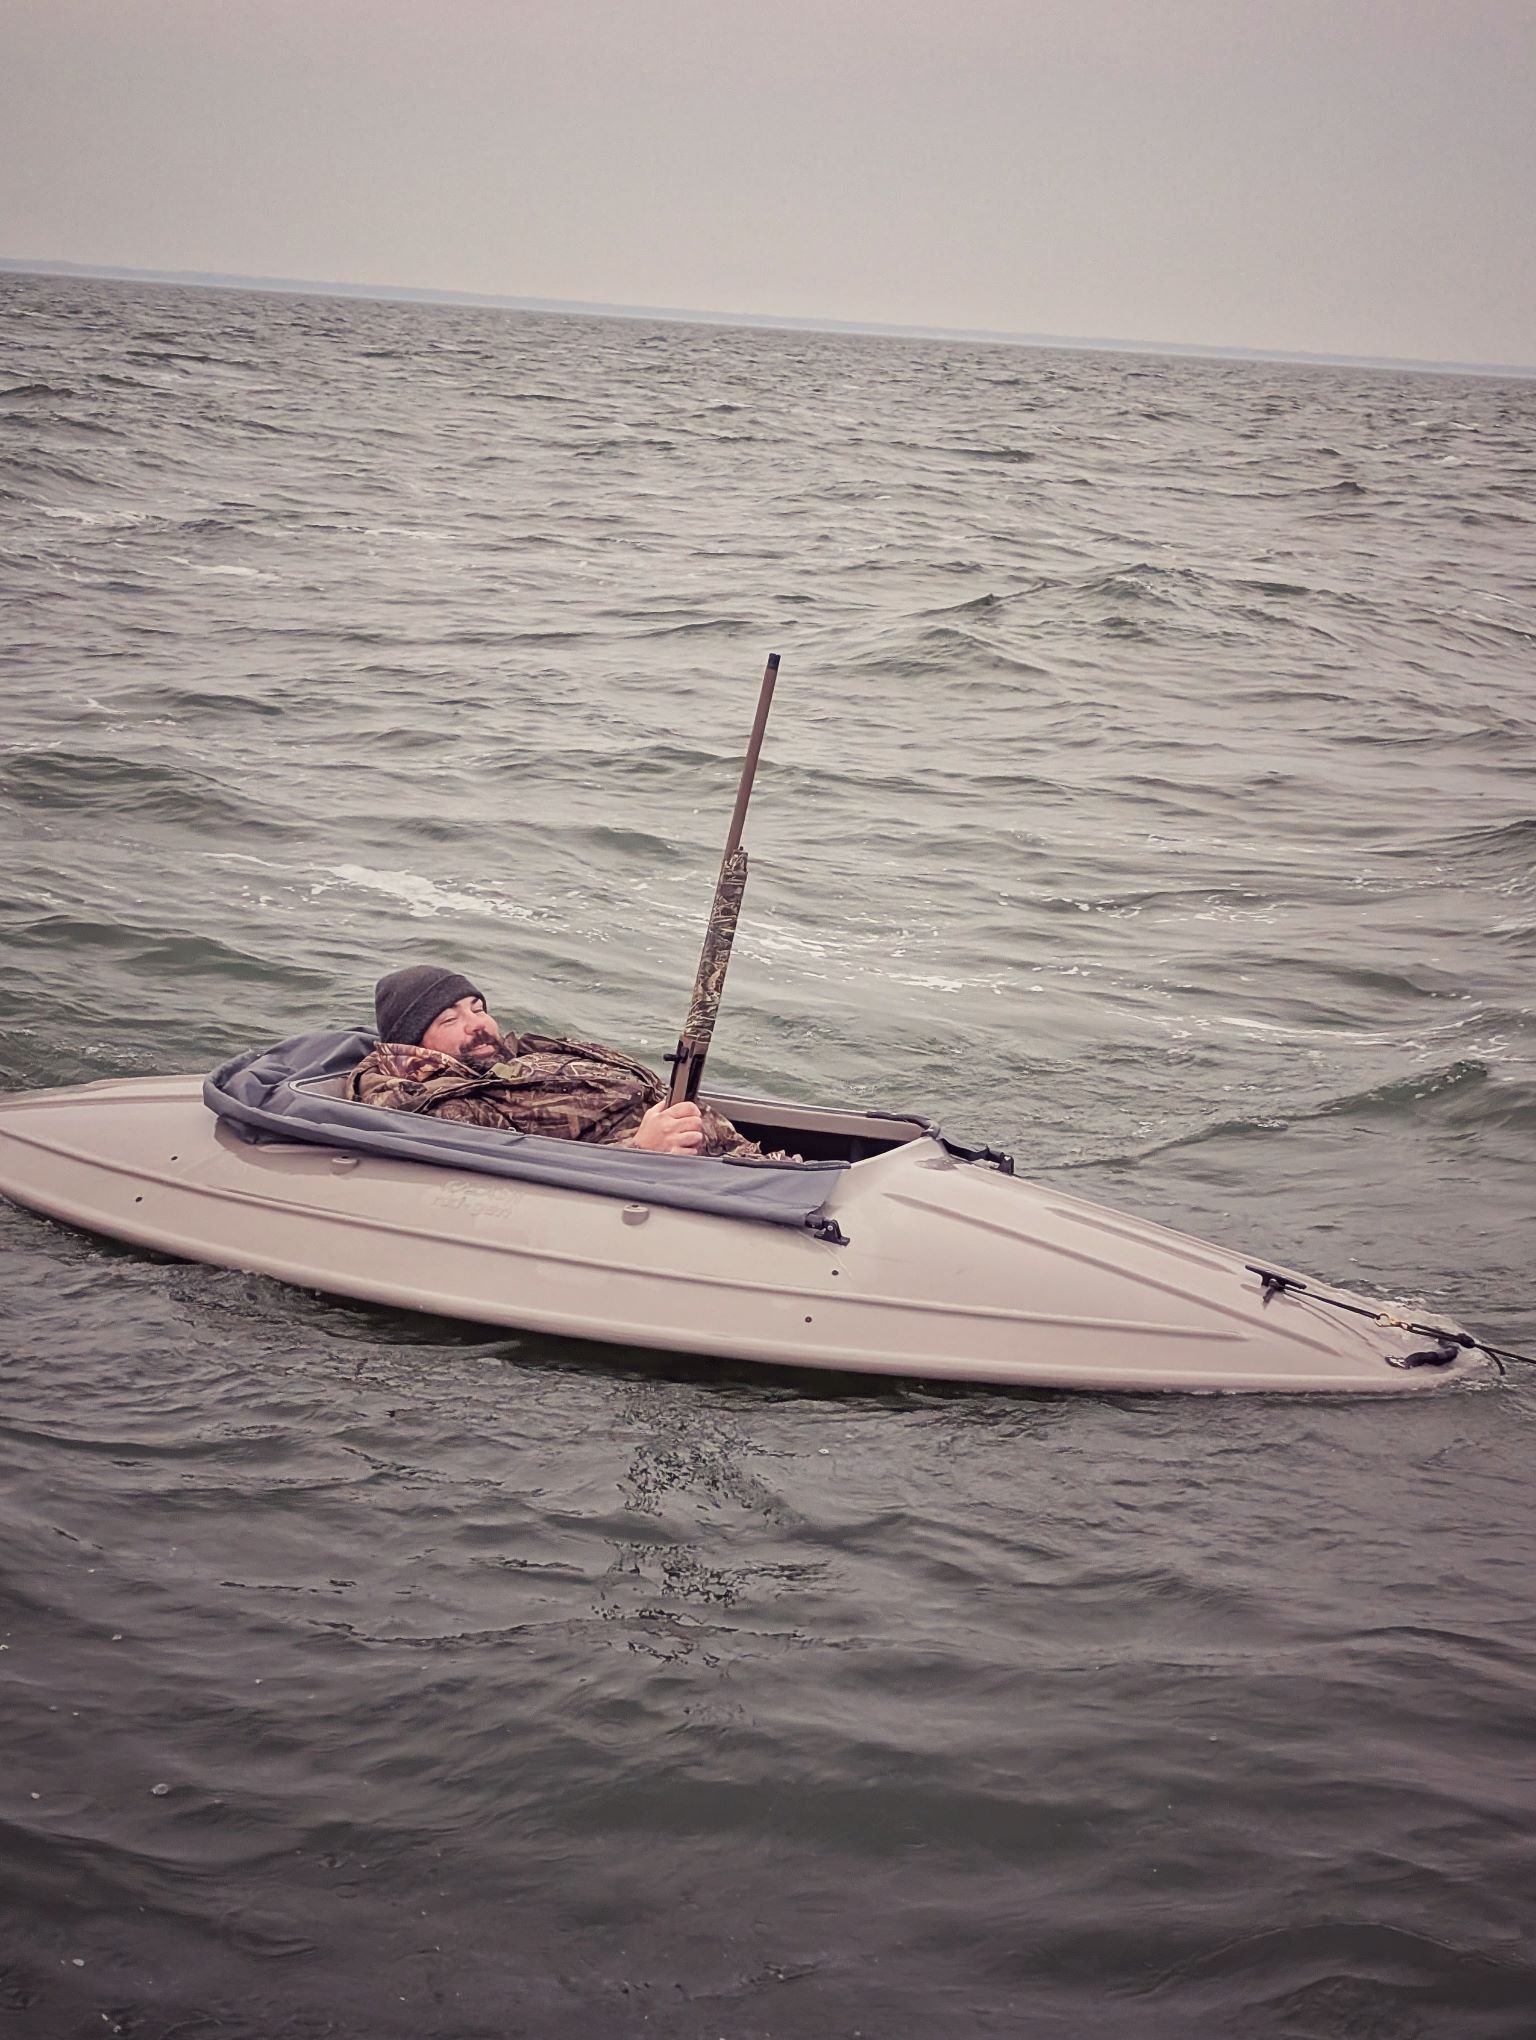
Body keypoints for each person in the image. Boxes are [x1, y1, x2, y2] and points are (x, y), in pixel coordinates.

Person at [347, 964, 783, 1160]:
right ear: (415, 1042)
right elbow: (523, 1168)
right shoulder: (437, 1103)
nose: (476, 1025)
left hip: (726, 1150)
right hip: (674, 1174)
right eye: (450, 1018)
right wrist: (639, 1150)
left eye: (478, 1009)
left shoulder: (521, 1053)